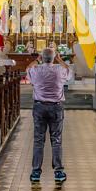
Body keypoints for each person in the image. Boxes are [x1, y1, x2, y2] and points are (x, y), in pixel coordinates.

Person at [27, 48, 71, 183]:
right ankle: (58, 171)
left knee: (38, 140)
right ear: (53, 58)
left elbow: (28, 67)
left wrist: (37, 59)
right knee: (56, 140)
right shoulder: (60, 70)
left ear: (42, 58)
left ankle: (35, 172)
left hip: (39, 107)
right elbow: (69, 70)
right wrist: (60, 59)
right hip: (56, 108)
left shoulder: (36, 70)